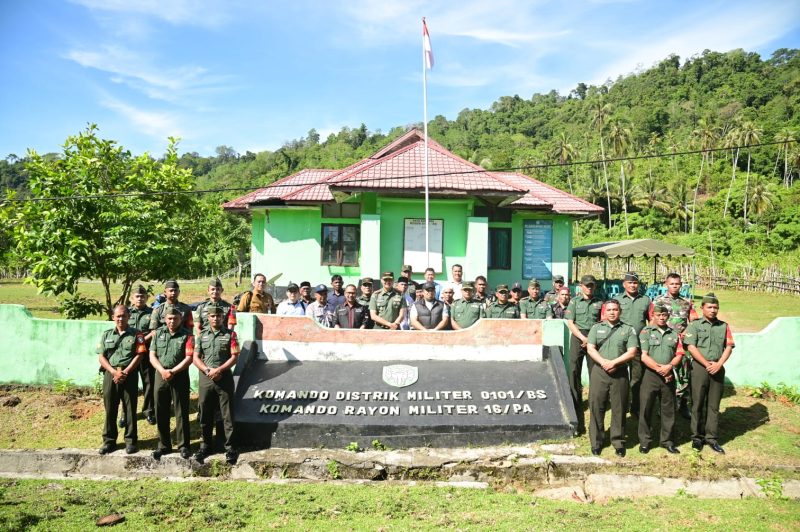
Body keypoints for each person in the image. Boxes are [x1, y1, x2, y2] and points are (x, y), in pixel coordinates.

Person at [683, 293, 735, 454]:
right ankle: (697, 438)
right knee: (697, 403)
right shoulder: (695, 325)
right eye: (710, 307)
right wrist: (706, 364)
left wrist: (719, 364)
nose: (713, 310)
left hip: (718, 368)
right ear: (703, 308)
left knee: (713, 406)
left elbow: (729, 346)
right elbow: (691, 347)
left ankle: (711, 438)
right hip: (699, 368)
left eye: (715, 307)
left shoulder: (723, 326)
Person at [586, 299, 638, 457]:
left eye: (615, 309)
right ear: (604, 311)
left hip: (620, 373)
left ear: (620, 311)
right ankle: (597, 442)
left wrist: (614, 363)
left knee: (619, 408)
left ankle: (618, 442)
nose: (612, 312)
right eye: (609, 310)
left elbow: (632, 351)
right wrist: (603, 362)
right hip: (599, 372)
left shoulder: (628, 330)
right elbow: (590, 348)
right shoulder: (596, 328)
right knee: (596, 406)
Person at [193, 303, 240, 464]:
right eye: (213, 316)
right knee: (205, 414)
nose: (216, 318)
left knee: (227, 414)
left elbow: (234, 357)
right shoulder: (201, 336)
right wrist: (207, 371)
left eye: (219, 316)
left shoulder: (231, 335)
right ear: (208, 318)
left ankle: (230, 447)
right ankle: (205, 446)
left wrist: (219, 370)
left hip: (224, 377)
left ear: (223, 318)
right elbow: (196, 357)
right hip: (206, 378)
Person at [97, 305, 147, 455]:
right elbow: (101, 356)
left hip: (129, 374)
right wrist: (113, 372)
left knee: (130, 408)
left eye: (124, 316)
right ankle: (109, 441)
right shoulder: (106, 335)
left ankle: (131, 441)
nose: (121, 319)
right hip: (110, 374)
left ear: (128, 317)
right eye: (118, 316)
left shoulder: (137, 334)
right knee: (110, 407)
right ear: (113, 317)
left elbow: (139, 355)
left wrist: (125, 371)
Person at [149, 305, 195, 460]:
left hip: (179, 376)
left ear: (180, 319)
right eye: (169, 318)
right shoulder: (158, 334)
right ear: (164, 319)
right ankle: (163, 445)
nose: (172, 321)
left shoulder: (188, 336)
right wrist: (162, 371)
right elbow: (152, 355)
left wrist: (173, 371)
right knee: (160, 410)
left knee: (181, 411)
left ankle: (183, 446)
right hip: (160, 375)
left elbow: (189, 358)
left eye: (175, 318)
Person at [651, 272, 698, 419]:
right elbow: (652, 321)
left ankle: (683, 405)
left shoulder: (686, 302)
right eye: (672, 284)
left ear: (681, 285)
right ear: (666, 284)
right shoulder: (658, 301)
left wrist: (687, 332)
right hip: (665, 343)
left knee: (684, 375)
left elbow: (694, 321)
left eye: (677, 284)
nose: (674, 286)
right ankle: (662, 407)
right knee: (664, 374)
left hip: (681, 345)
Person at [638, 302, 682, 454]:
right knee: (645, 408)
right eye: (658, 315)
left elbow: (679, 354)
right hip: (650, 375)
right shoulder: (646, 332)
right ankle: (645, 441)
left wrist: (669, 367)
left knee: (669, 410)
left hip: (668, 375)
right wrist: (660, 369)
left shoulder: (674, 334)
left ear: (668, 316)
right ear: (653, 316)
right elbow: (644, 356)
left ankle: (667, 441)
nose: (662, 318)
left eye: (664, 315)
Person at [564, 274, 604, 434]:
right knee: (574, 370)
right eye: (586, 285)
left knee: (595, 370)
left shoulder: (600, 302)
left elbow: (602, 322)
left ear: (595, 286)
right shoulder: (574, 301)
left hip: (594, 338)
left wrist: (591, 339)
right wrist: (582, 338)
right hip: (577, 336)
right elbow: (570, 322)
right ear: (581, 286)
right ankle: (575, 402)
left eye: (591, 285)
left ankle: (596, 400)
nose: (589, 287)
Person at [609, 272, 651, 417]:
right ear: (624, 284)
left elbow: (650, 322)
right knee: (620, 376)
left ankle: (636, 406)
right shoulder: (617, 300)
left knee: (637, 376)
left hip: (638, 345)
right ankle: (621, 405)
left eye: (635, 283)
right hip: (620, 344)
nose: (633, 285)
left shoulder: (645, 300)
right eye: (630, 282)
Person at [127, 285, 155, 427]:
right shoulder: (127, 312)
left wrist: (141, 341)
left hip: (146, 352)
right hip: (129, 353)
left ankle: (149, 410)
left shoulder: (152, 313)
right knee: (128, 384)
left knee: (149, 382)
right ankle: (126, 413)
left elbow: (154, 331)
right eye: (137, 296)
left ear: (146, 298)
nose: (140, 298)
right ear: (132, 298)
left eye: (142, 296)